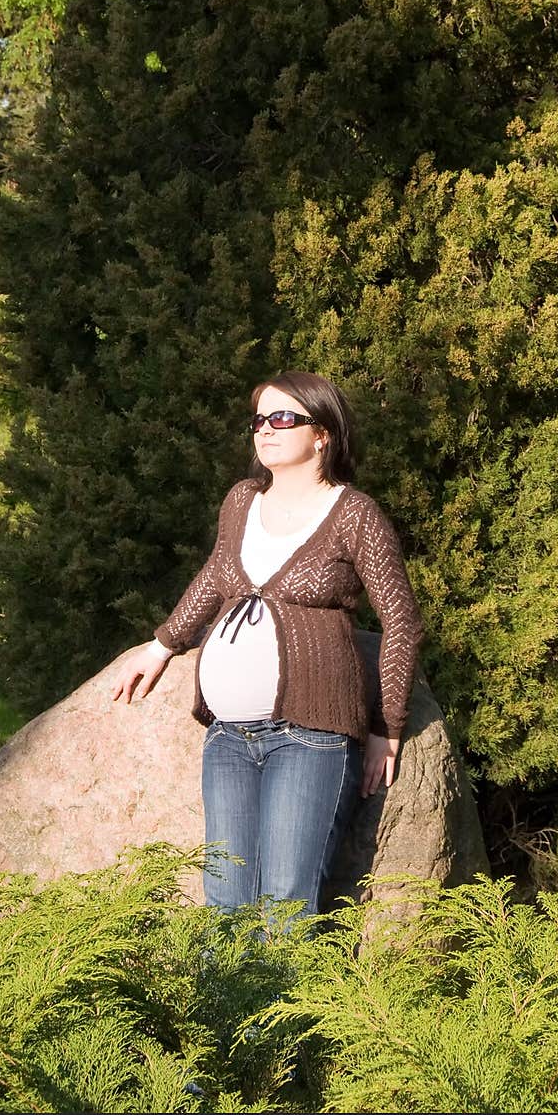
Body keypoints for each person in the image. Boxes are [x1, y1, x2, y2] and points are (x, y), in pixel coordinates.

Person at [112, 370, 423, 923]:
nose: (265, 429)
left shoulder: (354, 514)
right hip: (227, 739)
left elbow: (399, 620)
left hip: (311, 739)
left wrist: (387, 728)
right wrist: (163, 645)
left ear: (322, 432)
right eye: (259, 419)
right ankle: (224, 1012)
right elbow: (216, 574)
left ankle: (287, 1014)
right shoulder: (241, 501)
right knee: (224, 908)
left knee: (284, 908)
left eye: (283, 418)